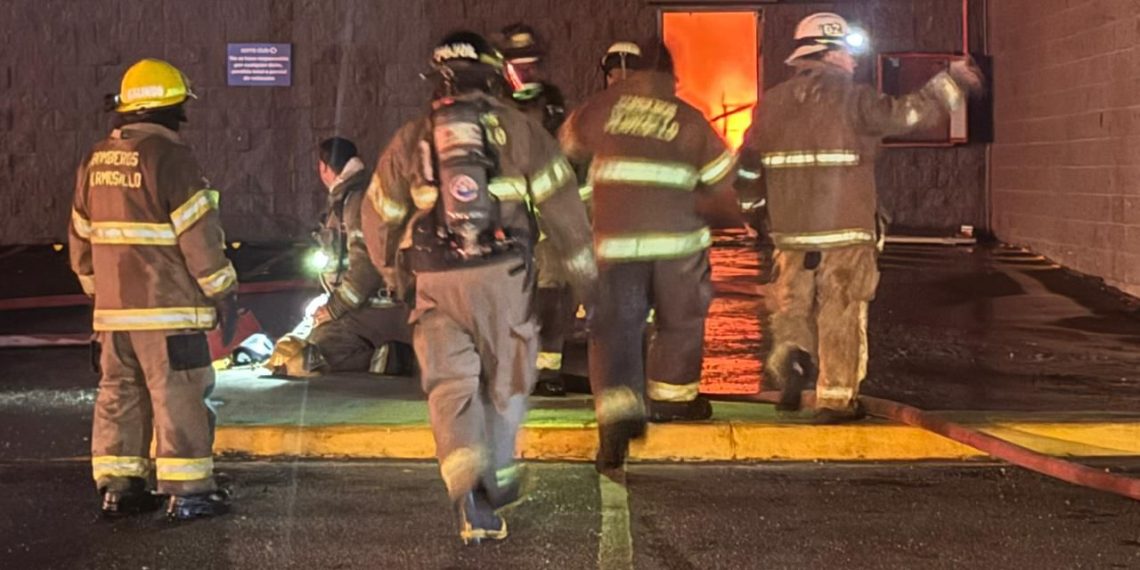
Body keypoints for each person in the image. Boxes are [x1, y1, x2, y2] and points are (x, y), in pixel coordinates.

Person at [361, 31, 595, 545]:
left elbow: (378, 215)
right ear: (492, 76)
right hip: (502, 278)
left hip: (433, 280)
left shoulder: (411, 138)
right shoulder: (520, 129)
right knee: (506, 381)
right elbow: (563, 208)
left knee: (451, 386)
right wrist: (585, 276)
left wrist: (393, 275)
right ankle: (497, 477)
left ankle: (465, 481)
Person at [737, 12, 984, 422]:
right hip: (846, 228)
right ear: (830, 52)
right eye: (849, 53)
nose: (854, 62)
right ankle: (835, 398)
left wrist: (754, 213)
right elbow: (907, 115)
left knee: (793, 304)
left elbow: (746, 166)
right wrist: (951, 82)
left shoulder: (772, 104)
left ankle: (791, 359)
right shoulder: (854, 98)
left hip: (791, 230)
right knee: (842, 306)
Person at [68, 58, 237, 520]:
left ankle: (120, 488)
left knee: (120, 396)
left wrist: (99, 294)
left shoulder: (95, 158)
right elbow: (199, 237)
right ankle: (190, 493)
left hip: (113, 317)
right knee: (179, 396)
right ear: (172, 107)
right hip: (169, 313)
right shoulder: (171, 159)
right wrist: (222, 291)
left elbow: (80, 239)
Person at [560, 43, 739, 473]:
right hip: (678, 247)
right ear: (671, 77)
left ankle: (616, 420)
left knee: (616, 331)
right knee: (680, 321)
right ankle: (673, 400)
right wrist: (727, 213)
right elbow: (721, 180)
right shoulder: (688, 118)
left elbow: (567, 143)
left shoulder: (604, 108)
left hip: (618, 244)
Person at [267, 137, 414, 378]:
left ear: (323, 168)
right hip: (383, 307)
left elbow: (365, 267)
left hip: (376, 310)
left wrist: (334, 309)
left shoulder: (355, 201)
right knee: (311, 330)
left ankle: (394, 360)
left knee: (316, 351)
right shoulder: (360, 196)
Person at [495, 23, 573, 397]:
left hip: (545, 214)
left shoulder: (552, 100)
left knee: (553, 287)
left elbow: (563, 153)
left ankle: (547, 369)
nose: (526, 72)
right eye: (518, 64)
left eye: (531, 64)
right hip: (504, 218)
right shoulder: (490, 102)